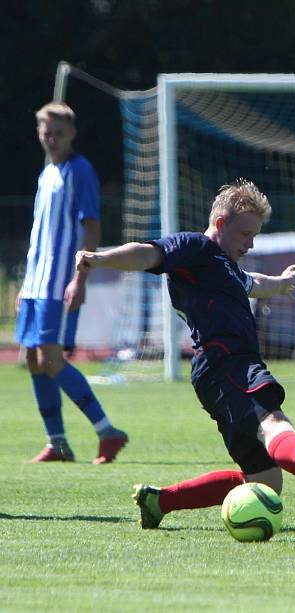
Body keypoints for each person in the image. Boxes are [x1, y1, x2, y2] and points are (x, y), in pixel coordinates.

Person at [75, 179, 295, 529]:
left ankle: (160, 500)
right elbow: (148, 253)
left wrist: (280, 283)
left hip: (219, 370)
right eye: (245, 234)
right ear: (222, 224)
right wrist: (100, 258)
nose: (250, 243)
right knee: (274, 424)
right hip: (227, 362)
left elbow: (252, 283)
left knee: (265, 482)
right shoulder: (194, 247)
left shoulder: (223, 266)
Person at [16, 102, 128, 464]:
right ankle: (58, 442)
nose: (51, 138)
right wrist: (25, 283)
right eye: (46, 131)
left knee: (50, 358)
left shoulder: (80, 171)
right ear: (38, 131)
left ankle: (106, 431)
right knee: (34, 360)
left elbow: (91, 226)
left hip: (58, 281)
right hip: (36, 282)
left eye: (59, 132)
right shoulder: (47, 173)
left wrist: (81, 277)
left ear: (72, 134)